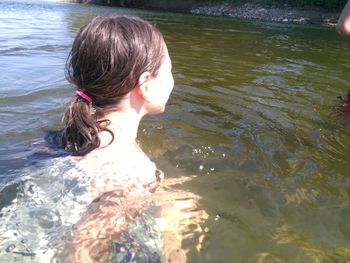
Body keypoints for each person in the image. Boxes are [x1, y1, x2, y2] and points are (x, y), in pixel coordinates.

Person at [49, 15, 174, 262]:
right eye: (169, 70)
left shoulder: (74, 137)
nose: (173, 80)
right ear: (146, 84)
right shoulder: (131, 172)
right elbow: (79, 253)